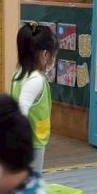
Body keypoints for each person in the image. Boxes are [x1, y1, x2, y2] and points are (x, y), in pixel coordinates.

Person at [10, 21, 58, 174]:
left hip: (27, 142)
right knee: (32, 182)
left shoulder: (19, 74)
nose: (54, 59)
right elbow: (21, 110)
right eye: (54, 55)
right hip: (31, 144)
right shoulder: (35, 80)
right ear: (45, 55)